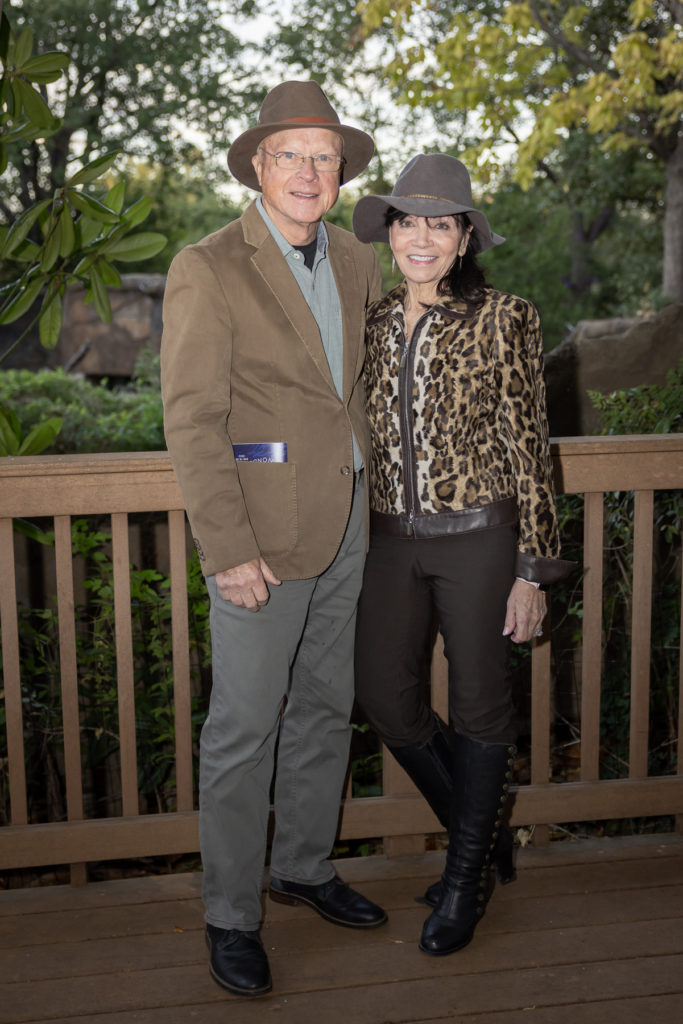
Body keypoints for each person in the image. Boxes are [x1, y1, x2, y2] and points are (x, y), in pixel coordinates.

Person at [161, 81, 387, 999]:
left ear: (341, 173)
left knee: (326, 708)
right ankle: (230, 914)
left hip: (349, 521)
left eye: (323, 156)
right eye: (289, 153)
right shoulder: (208, 266)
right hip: (258, 535)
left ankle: (301, 865)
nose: (307, 170)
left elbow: (358, 391)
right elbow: (192, 419)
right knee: (244, 730)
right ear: (258, 164)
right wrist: (226, 548)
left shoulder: (358, 260)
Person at [351, 154, 574, 957]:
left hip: (481, 538)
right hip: (388, 540)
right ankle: (482, 843)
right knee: (384, 696)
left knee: (481, 706)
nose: (421, 237)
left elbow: (529, 444)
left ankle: (461, 880)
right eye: (407, 222)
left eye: (438, 224)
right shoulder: (373, 320)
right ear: (390, 233)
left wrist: (531, 569)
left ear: (464, 238)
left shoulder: (505, 317)